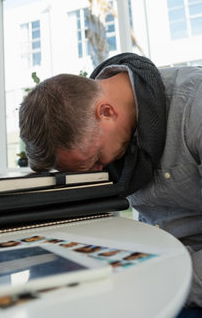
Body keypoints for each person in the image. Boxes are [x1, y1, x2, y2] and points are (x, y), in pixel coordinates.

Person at [19, 52, 202, 316]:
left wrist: (156, 281)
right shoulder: (101, 126)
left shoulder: (194, 104)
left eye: (94, 159)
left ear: (106, 112)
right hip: (155, 265)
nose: (99, 171)